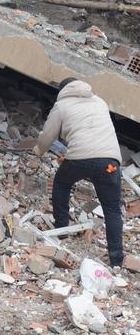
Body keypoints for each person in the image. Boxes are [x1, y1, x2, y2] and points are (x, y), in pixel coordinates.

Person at [34, 78, 124, 268]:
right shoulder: (99, 102)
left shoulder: (61, 105)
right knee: (112, 208)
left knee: (62, 183)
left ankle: (61, 228)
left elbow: (48, 135)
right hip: (111, 161)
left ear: (63, 90)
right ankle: (117, 258)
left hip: (79, 158)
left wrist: (39, 151)